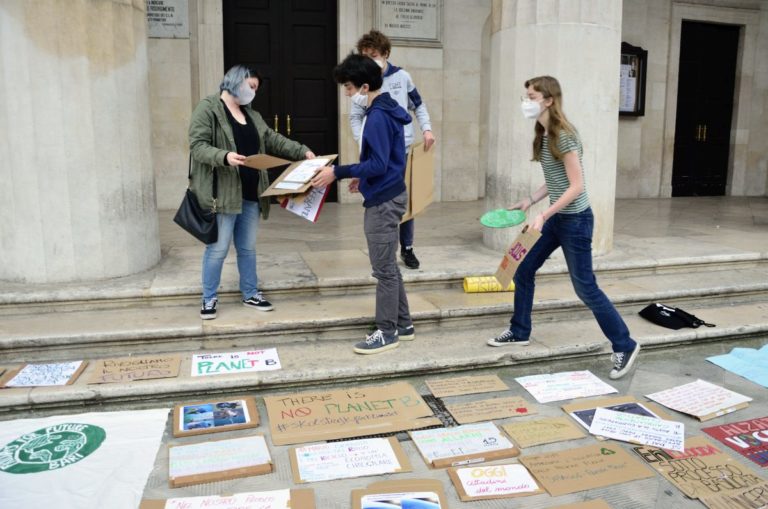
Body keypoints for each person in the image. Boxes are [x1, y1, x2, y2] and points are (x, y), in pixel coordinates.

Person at [487, 76, 641, 380]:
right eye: (525, 95)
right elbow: (556, 180)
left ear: (548, 100)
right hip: (558, 217)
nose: (526, 102)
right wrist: (530, 200)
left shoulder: (564, 136)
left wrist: (543, 215)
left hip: (576, 220)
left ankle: (625, 344)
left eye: (531, 96)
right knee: (523, 269)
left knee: (585, 287)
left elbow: (576, 185)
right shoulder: (543, 133)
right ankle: (520, 330)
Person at [189, 65, 314, 320]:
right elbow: (197, 146)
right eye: (251, 86)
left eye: (256, 88)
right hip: (222, 194)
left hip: (250, 193)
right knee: (218, 249)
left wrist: (302, 151)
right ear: (236, 81)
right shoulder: (208, 108)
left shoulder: (252, 115)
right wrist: (224, 156)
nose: (253, 93)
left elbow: (272, 139)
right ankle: (209, 297)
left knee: (247, 248)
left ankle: (250, 292)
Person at [311, 53, 414, 354]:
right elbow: (381, 163)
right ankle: (403, 324)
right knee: (390, 268)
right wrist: (363, 178)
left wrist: (338, 173)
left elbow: (379, 163)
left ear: (365, 87)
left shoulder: (378, 116)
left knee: (383, 270)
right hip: (386, 191)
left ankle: (386, 332)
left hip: (383, 202)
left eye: (348, 87)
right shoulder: (385, 110)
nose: (346, 93)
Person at [350, 30, 435, 270]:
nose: (369, 60)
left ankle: (407, 247)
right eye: (365, 56)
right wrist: (363, 140)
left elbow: (418, 105)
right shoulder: (361, 82)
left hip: (402, 150)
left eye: (374, 55)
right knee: (380, 200)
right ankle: (384, 247)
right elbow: (355, 117)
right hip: (377, 153)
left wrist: (427, 130)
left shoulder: (402, 77)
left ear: (385, 54)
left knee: (405, 200)